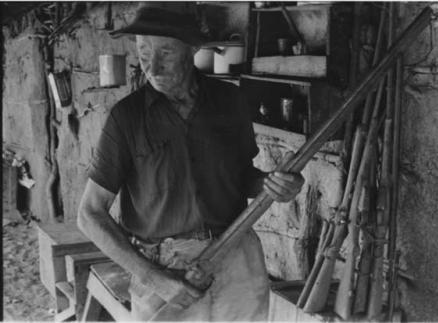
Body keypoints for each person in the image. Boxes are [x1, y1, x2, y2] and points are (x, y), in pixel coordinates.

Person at [77, 3, 304, 321]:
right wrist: (156, 279)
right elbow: (89, 215)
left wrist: (274, 184)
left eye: (166, 52)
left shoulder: (229, 100)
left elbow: (242, 176)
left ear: (192, 48)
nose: (152, 67)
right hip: (166, 266)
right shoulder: (126, 118)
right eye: (143, 52)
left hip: (235, 250)